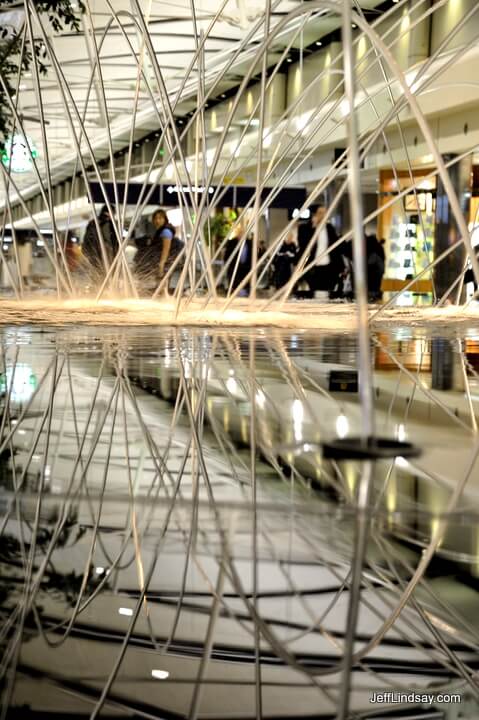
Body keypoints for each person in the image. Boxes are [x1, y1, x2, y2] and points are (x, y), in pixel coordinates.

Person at [298, 204, 343, 299]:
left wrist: (340, 267)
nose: (323, 215)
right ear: (314, 214)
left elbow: (337, 248)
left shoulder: (330, 228)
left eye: (325, 213)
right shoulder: (304, 228)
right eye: (320, 213)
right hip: (313, 268)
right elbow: (303, 245)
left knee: (327, 294)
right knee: (314, 294)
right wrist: (314, 228)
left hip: (329, 268)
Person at [134, 209, 183, 294]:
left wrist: (161, 264)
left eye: (160, 218)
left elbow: (165, 249)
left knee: (162, 284)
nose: (157, 220)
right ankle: (164, 298)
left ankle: (164, 299)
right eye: (155, 218)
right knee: (162, 285)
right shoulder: (161, 231)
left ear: (165, 219)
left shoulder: (165, 231)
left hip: (166, 262)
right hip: (166, 261)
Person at [82, 204, 116, 277]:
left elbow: (87, 239)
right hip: (100, 252)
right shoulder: (103, 223)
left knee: (100, 272)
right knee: (102, 272)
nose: (113, 215)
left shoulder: (95, 222)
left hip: (100, 253)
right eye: (113, 212)